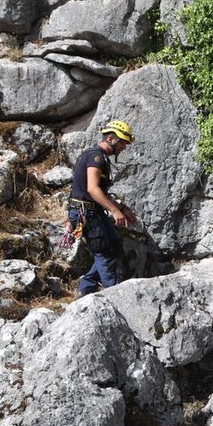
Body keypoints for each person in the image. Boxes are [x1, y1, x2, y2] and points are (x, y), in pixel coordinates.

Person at [68, 119, 139, 296]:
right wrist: (115, 211)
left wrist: (121, 209)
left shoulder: (99, 158)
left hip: (92, 211)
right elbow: (92, 189)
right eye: (122, 142)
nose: (124, 147)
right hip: (87, 213)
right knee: (104, 252)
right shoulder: (96, 157)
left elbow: (99, 192)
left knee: (113, 246)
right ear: (110, 139)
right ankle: (113, 294)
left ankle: (86, 288)